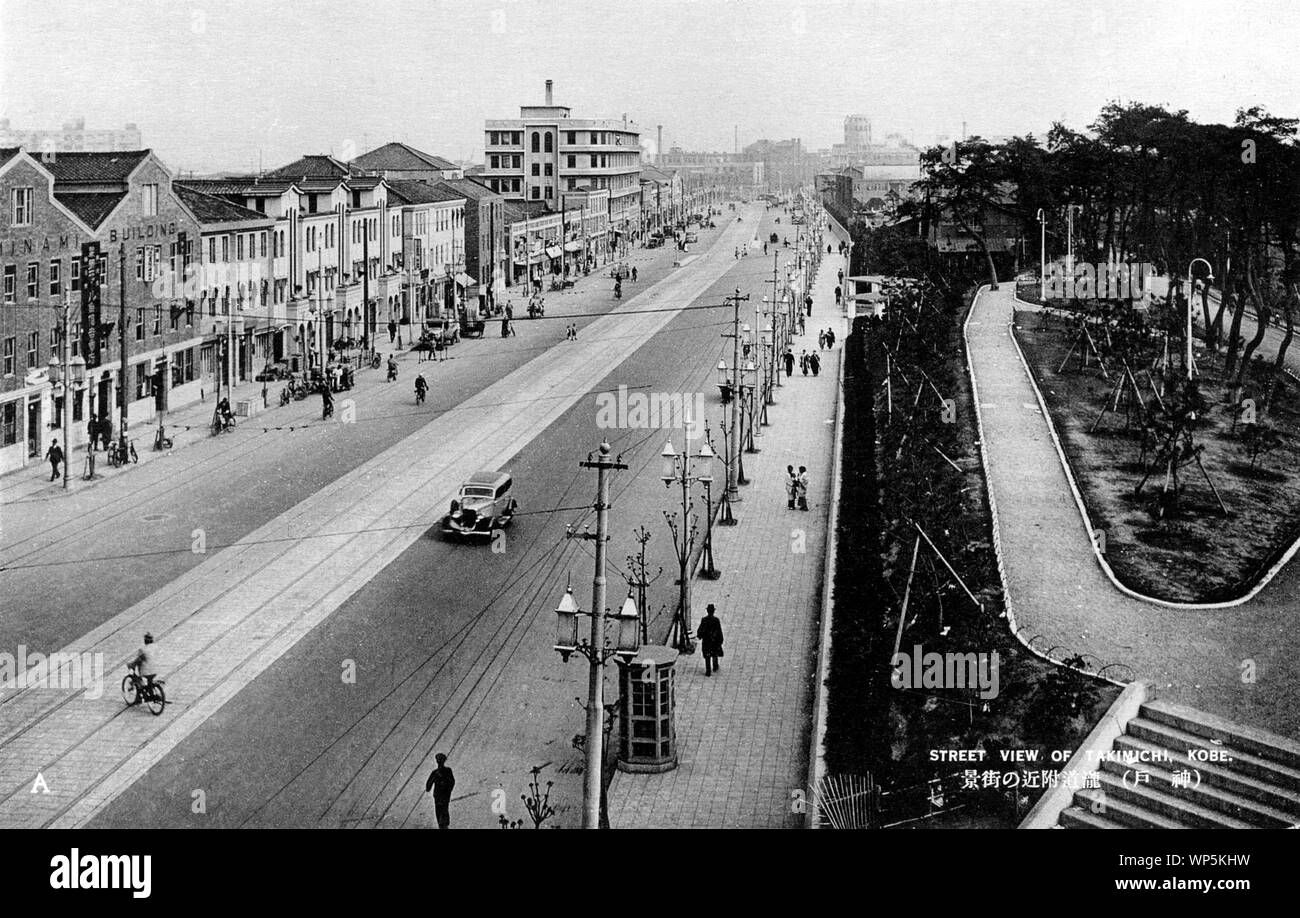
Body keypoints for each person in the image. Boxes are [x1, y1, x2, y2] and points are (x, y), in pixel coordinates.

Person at [425, 752, 455, 829]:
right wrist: (448, 790)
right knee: (444, 810)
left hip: (439, 795)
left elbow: (428, 785)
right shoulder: (447, 771)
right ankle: (444, 825)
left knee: (440, 811)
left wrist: (428, 787)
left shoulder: (435, 773)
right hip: (443, 795)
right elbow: (452, 782)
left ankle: (442, 825)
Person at [696, 604, 724, 676]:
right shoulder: (716, 620)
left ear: (707, 611)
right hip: (714, 641)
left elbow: (700, 630)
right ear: (713, 611)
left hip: (706, 641)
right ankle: (715, 666)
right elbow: (719, 631)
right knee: (714, 654)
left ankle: (708, 671)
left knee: (707, 656)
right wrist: (720, 640)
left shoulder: (704, 620)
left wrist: (699, 636)